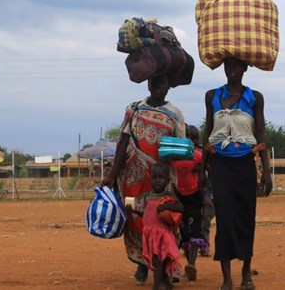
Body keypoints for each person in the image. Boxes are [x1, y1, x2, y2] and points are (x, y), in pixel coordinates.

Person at [102, 76, 186, 286]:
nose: (158, 87)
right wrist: (112, 174)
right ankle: (142, 262)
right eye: (154, 83)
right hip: (134, 176)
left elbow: (180, 148)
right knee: (137, 220)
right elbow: (123, 141)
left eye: (162, 83)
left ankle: (169, 266)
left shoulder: (175, 113)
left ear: (169, 85)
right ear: (148, 85)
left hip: (163, 176)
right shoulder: (134, 109)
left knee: (165, 221)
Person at [203, 57, 272, 290]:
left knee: (245, 218)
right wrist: (203, 168)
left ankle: (245, 273)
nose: (231, 70)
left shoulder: (255, 98)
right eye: (227, 66)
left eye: (236, 66)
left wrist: (266, 172)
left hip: (245, 165)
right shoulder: (212, 96)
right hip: (220, 166)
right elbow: (207, 133)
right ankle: (227, 278)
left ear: (245, 68)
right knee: (224, 218)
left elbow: (260, 135)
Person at [127, 161, 183, 290]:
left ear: (168, 180)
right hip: (150, 235)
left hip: (162, 235)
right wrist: (134, 211)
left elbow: (180, 207)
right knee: (159, 261)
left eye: (161, 178)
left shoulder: (167, 196)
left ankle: (156, 286)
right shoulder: (149, 196)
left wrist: (166, 206)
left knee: (158, 261)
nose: (157, 181)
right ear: (150, 178)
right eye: (154, 178)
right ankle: (166, 283)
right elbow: (148, 214)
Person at [169, 124, 208, 282]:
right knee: (182, 232)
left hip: (194, 197)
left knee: (195, 230)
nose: (190, 142)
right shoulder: (172, 157)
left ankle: (191, 264)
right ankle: (179, 265)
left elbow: (208, 169)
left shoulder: (197, 156)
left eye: (192, 139)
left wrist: (201, 171)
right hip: (178, 197)